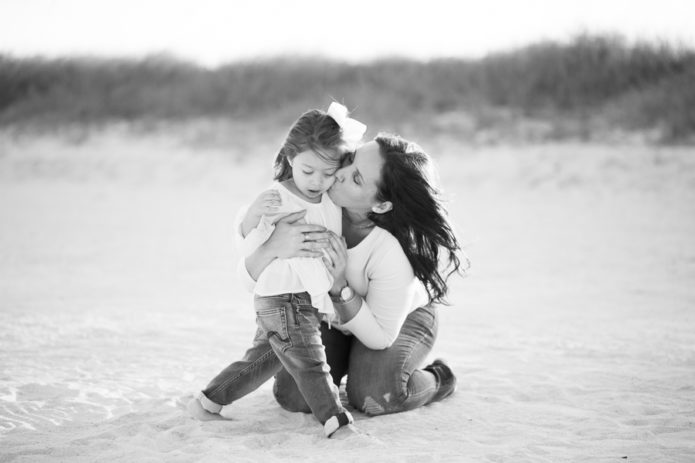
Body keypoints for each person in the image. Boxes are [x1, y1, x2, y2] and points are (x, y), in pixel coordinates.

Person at [244, 133, 467, 417]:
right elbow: (253, 269)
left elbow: (380, 337)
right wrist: (273, 246)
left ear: (382, 205)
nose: (339, 174)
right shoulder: (315, 198)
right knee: (294, 396)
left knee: (376, 397)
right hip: (333, 320)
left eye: (356, 178)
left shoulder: (391, 250)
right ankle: (345, 359)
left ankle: (440, 378)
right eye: (350, 160)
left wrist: (339, 286)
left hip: (397, 320)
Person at [187, 103, 367, 438]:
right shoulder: (277, 196)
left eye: (328, 173)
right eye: (308, 170)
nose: (317, 181)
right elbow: (247, 241)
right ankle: (335, 420)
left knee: (263, 360)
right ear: (290, 157)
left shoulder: (328, 199)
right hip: (281, 297)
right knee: (311, 361)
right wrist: (255, 214)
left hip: (300, 298)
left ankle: (207, 401)